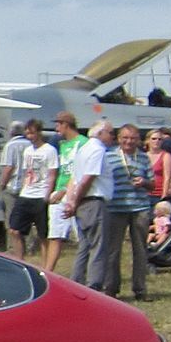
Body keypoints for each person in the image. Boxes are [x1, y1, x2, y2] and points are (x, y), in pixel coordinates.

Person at [64, 119, 116, 291]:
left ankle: (76, 282)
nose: (112, 137)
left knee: (85, 246)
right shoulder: (97, 150)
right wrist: (75, 200)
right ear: (100, 133)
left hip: (83, 203)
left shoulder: (83, 149)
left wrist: (72, 201)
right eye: (110, 133)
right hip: (94, 201)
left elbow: (74, 178)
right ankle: (94, 285)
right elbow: (88, 178)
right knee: (99, 247)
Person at [104, 124, 154, 300]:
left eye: (132, 138)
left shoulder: (143, 158)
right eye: (125, 138)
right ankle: (111, 288)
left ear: (138, 140)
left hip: (139, 208)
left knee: (140, 250)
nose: (129, 141)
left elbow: (153, 184)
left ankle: (140, 289)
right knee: (113, 250)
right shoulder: (109, 156)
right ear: (119, 139)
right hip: (115, 208)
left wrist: (145, 182)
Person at [7, 119, 58, 262]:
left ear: (39, 133)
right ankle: (20, 260)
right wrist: (23, 187)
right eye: (27, 133)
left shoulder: (49, 150)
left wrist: (47, 195)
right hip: (26, 193)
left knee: (43, 235)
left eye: (32, 133)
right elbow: (26, 172)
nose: (29, 136)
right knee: (14, 229)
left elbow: (52, 174)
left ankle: (45, 264)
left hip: (41, 194)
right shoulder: (28, 151)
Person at [46, 111, 86, 258]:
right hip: (58, 191)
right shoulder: (62, 144)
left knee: (80, 236)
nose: (57, 129)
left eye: (58, 125)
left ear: (65, 125)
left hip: (73, 192)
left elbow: (79, 171)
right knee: (55, 235)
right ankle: (48, 271)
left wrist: (64, 191)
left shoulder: (82, 142)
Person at [0, 120, 31, 246]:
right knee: (25, 218)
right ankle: (28, 245)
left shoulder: (10, 145)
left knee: (11, 218)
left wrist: (2, 184)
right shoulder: (29, 144)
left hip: (12, 186)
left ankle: (12, 245)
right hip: (27, 186)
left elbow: (9, 167)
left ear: (11, 132)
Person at [145, 129, 171, 203]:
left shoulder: (166, 156)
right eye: (154, 139)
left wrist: (164, 196)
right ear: (148, 140)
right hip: (145, 194)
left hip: (159, 194)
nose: (157, 141)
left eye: (160, 139)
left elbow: (167, 177)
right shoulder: (143, 156)